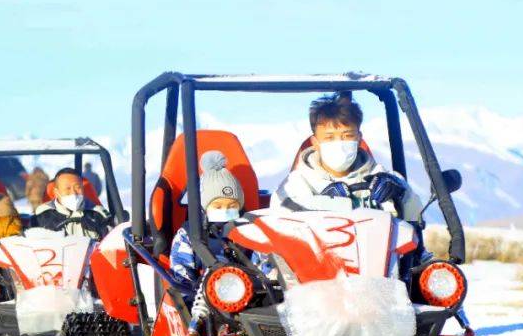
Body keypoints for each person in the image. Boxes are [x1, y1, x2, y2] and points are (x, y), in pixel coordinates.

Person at [275, 92, 423, 222]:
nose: (339, 143)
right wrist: (322, 205)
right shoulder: (295, 185)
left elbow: (417, 221)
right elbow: (282, 230)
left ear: (359, 138)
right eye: (329, 137)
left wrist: (402, 195)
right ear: (315, 142)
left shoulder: (384, 178)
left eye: (347, 136)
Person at [168, 152, 244, 293]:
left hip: (245, 291)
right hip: (203, 295)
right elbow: (181, 272)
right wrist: (197, 290)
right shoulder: (189, 235)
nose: (226, 211)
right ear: (203, 207)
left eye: (232, 206)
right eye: (218, 207)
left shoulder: (247, 231)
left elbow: (261, 262)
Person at [31, 168, 111, 239]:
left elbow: (111, 243)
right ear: (56, 192)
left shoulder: (98, 215)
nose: (73, 193)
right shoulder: (42, 216)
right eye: (68, 188)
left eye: (78, 187)